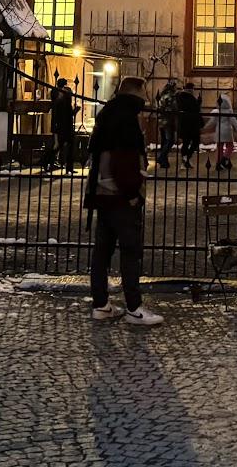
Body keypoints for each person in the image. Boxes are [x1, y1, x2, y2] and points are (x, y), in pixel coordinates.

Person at [85, 76, 164, 326]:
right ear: (136, 95)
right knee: (130, 252)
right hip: (120, 197)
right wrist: (132, 194)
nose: (146, 101)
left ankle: (101, 305)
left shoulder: (107, 114)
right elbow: (124, 161)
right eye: (144, 96)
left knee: (102, 251)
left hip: (102, 194)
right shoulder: (126, 119)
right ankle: (134, 308)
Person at [49, 79, 78, 174]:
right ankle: (48, 162)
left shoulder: (57, 94)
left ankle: (48, 162)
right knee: (61, 145)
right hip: (64, 125)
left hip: (61, 125)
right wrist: (75, 111)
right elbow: (68, 113)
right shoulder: (63, 96)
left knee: (61, 145)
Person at [175, 82, 202, 168]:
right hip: (192, 124)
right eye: (193, 89)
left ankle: (185, 159)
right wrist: (198, 102)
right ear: (190, 89)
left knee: (186, 142)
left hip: (183, 123)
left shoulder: (179, 97)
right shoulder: (190, 98)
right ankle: (186, 158)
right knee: (195, 141)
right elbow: (195, 110)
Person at [210, 93, 237, 169]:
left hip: (219, 131)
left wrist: (205, 128)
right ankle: (224, 159)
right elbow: (234, 121)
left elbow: (212, 122)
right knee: (230, 146)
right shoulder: (229, 112)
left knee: (219, 148)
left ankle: (218, 163)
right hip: (227, 131)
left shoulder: (217, 112)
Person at [155, 79, 178, 170]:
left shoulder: (162, 96)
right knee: (170, 140)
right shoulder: (171, 96)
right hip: (168, 121)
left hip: (161, 121)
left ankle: (164, 162)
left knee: (164, 141)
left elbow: (159, 107)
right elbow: (174, 108)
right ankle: (161, 157)